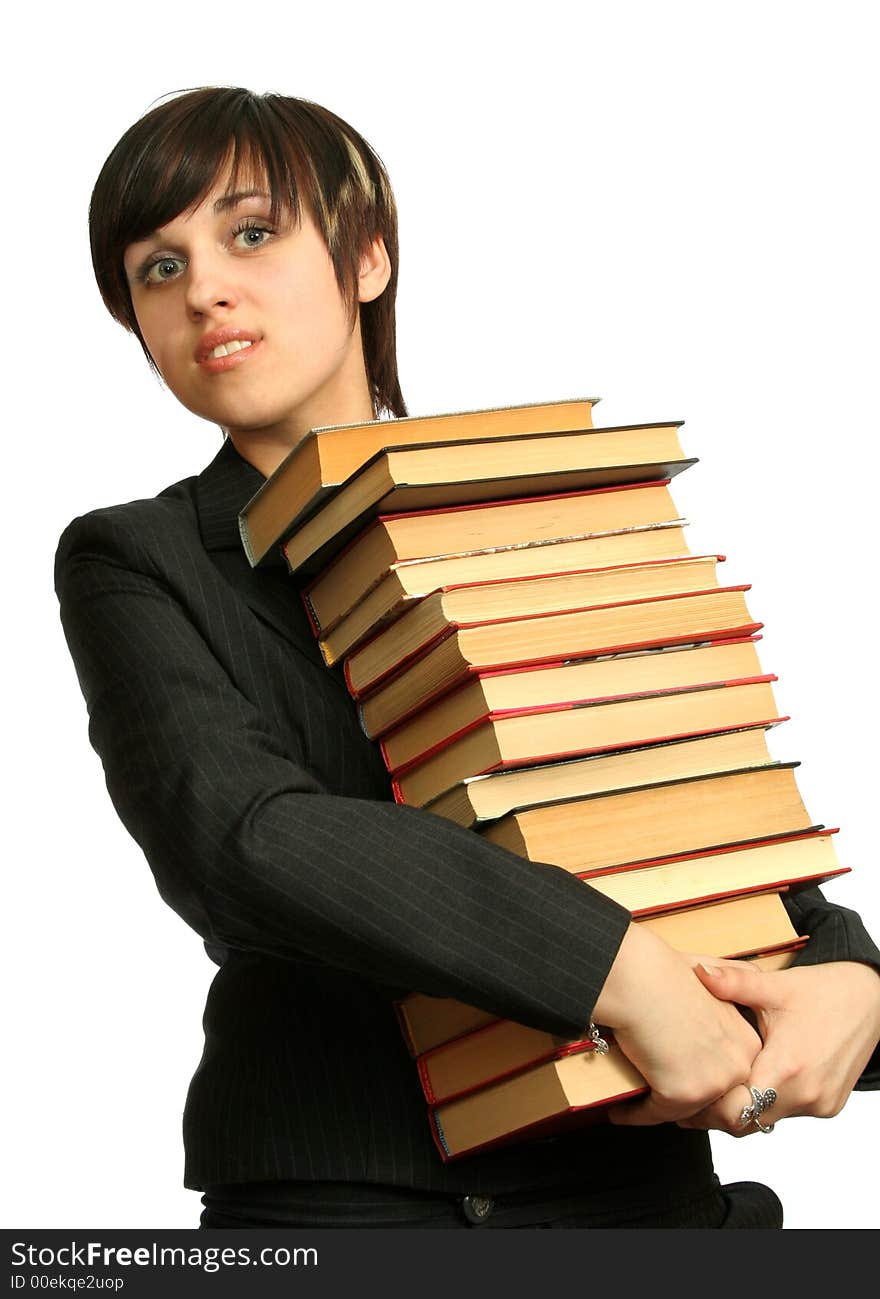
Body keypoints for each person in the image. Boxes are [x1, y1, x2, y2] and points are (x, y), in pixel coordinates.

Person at [55, 86, 880, 1230]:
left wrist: (851, 979)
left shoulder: (537, 503)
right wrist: (613, 968)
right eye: (157, 267)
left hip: (633, 1186)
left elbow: (682, 797)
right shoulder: (135, 559)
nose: (204, 288)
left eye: (251, 233)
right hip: (342, 1194)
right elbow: (243, 836)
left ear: (367, 260)